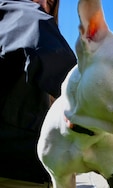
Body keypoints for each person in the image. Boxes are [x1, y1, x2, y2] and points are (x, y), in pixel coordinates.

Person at [0, 0, 77, 187]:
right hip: (19, 172)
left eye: (50, 2)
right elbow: (75, 82)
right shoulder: (26, 15)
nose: (42, 3)